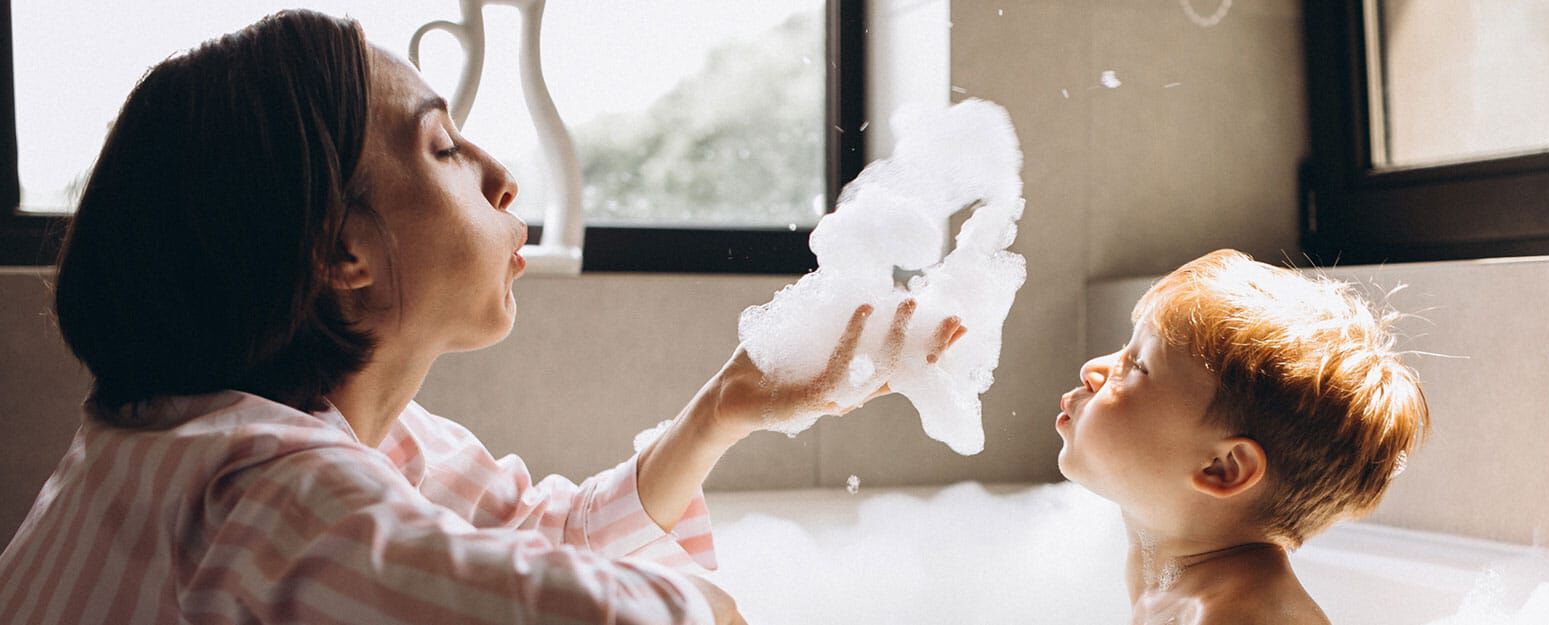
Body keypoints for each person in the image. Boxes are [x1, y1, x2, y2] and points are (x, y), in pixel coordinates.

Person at [0, 10, 960, 624]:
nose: (502, 175)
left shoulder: (254, 428)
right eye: (443, 145)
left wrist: (722, 408)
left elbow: (551, 535)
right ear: (342, 252)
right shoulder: (260, 496)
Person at [1054, 249, 1429, 625]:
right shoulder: (1164, 561)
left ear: (1223, 468)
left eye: (1136, 365)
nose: (1092, 368)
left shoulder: (1240, 616)